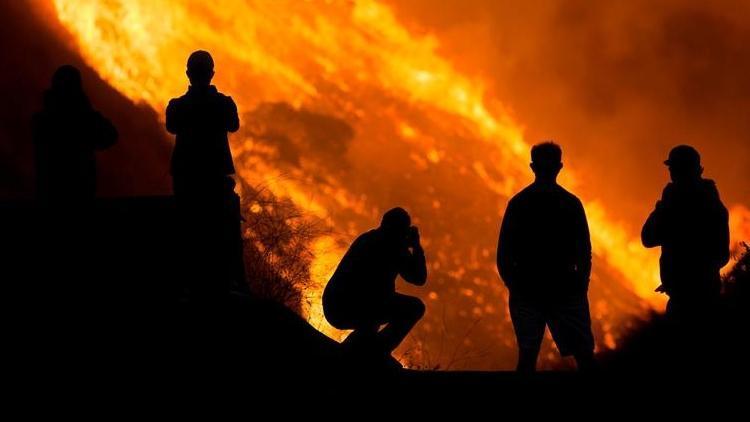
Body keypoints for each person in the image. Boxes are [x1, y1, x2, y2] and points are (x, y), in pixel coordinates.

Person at [497, 142, 595, 372]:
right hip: (564, 289)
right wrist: (580, 284)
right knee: (584, 356)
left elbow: (504, 253)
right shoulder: (571, 204)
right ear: (560, 167)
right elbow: (584, 250)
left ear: (532, 166)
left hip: (528, 289)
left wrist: (514, 285)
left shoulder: (519, 203)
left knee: (527, 356)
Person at [166, 51, 244, 304]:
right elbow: (233, 124)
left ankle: (187, 287)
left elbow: (172, 126)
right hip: (213, 182)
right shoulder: (224, 105)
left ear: (188, 74)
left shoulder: (177, 106)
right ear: (212, 74)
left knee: (188, 238)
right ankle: (227, 285)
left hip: (187, 182)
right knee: (219, 240)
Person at [323, 207, 427, 368]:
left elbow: (417, 279)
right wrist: (416, 247)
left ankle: (362, 351)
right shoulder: (393, 246)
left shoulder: (368, 238)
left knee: (372, 320)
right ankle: (376, 352)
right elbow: (419, 278)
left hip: (335, 306)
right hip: (351, 305)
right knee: (414, 307)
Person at [642, 145, 729, 323]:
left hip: (689, 301)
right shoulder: (714, 204)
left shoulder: (677, 206)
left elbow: (648, 237)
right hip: (705, 294)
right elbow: (721, 256)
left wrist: (663, 206)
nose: (672, 174)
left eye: (674, 169)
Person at [32, 65, 117, 202]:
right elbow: (110, 135)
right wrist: (86, 110)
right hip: (78, 191)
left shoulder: (41, 119)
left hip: (49, 192)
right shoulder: (81, 119)